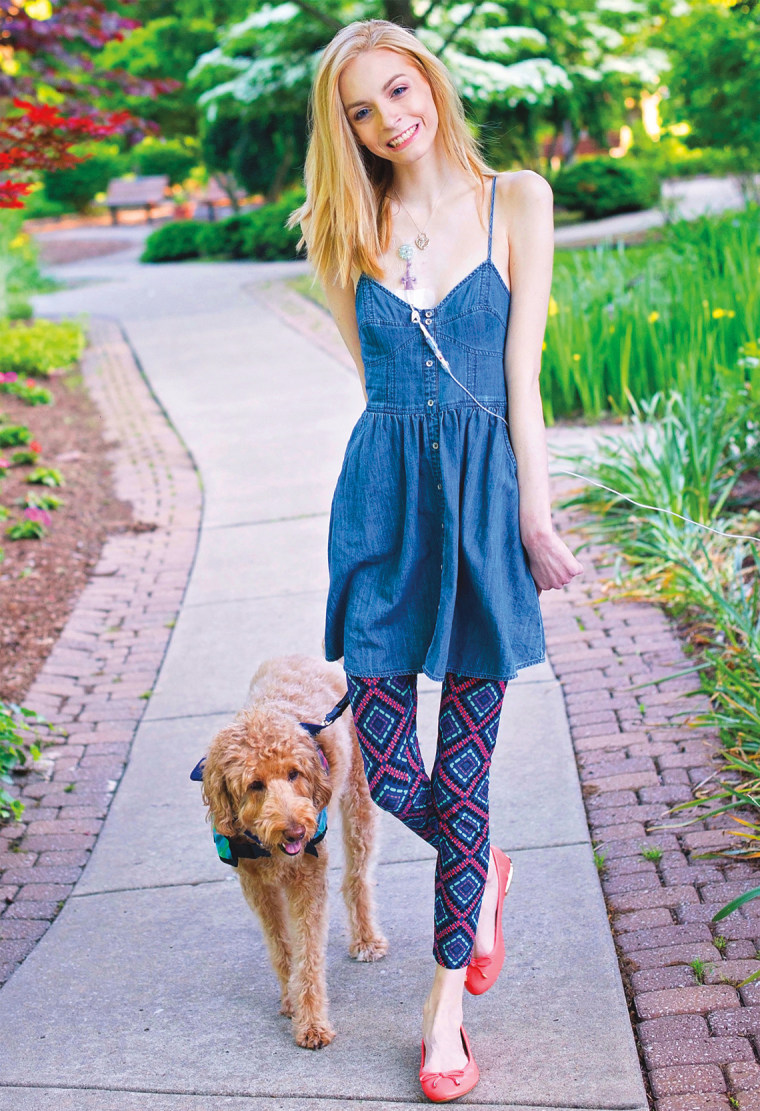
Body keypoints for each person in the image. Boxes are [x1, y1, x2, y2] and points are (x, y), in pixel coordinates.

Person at [290, 17, 583, 1102]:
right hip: (380, 506)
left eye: (399, 91)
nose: (389, 119)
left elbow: (524, 372)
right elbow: (375, 385)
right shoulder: (339, 223)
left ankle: (444, 1003)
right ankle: (485, 865)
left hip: (482, 505)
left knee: (463, 765)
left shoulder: (517, 200)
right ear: (345, 127)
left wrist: (533, 517)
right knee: (384, 747)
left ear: (432, 82)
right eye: (361, 109)